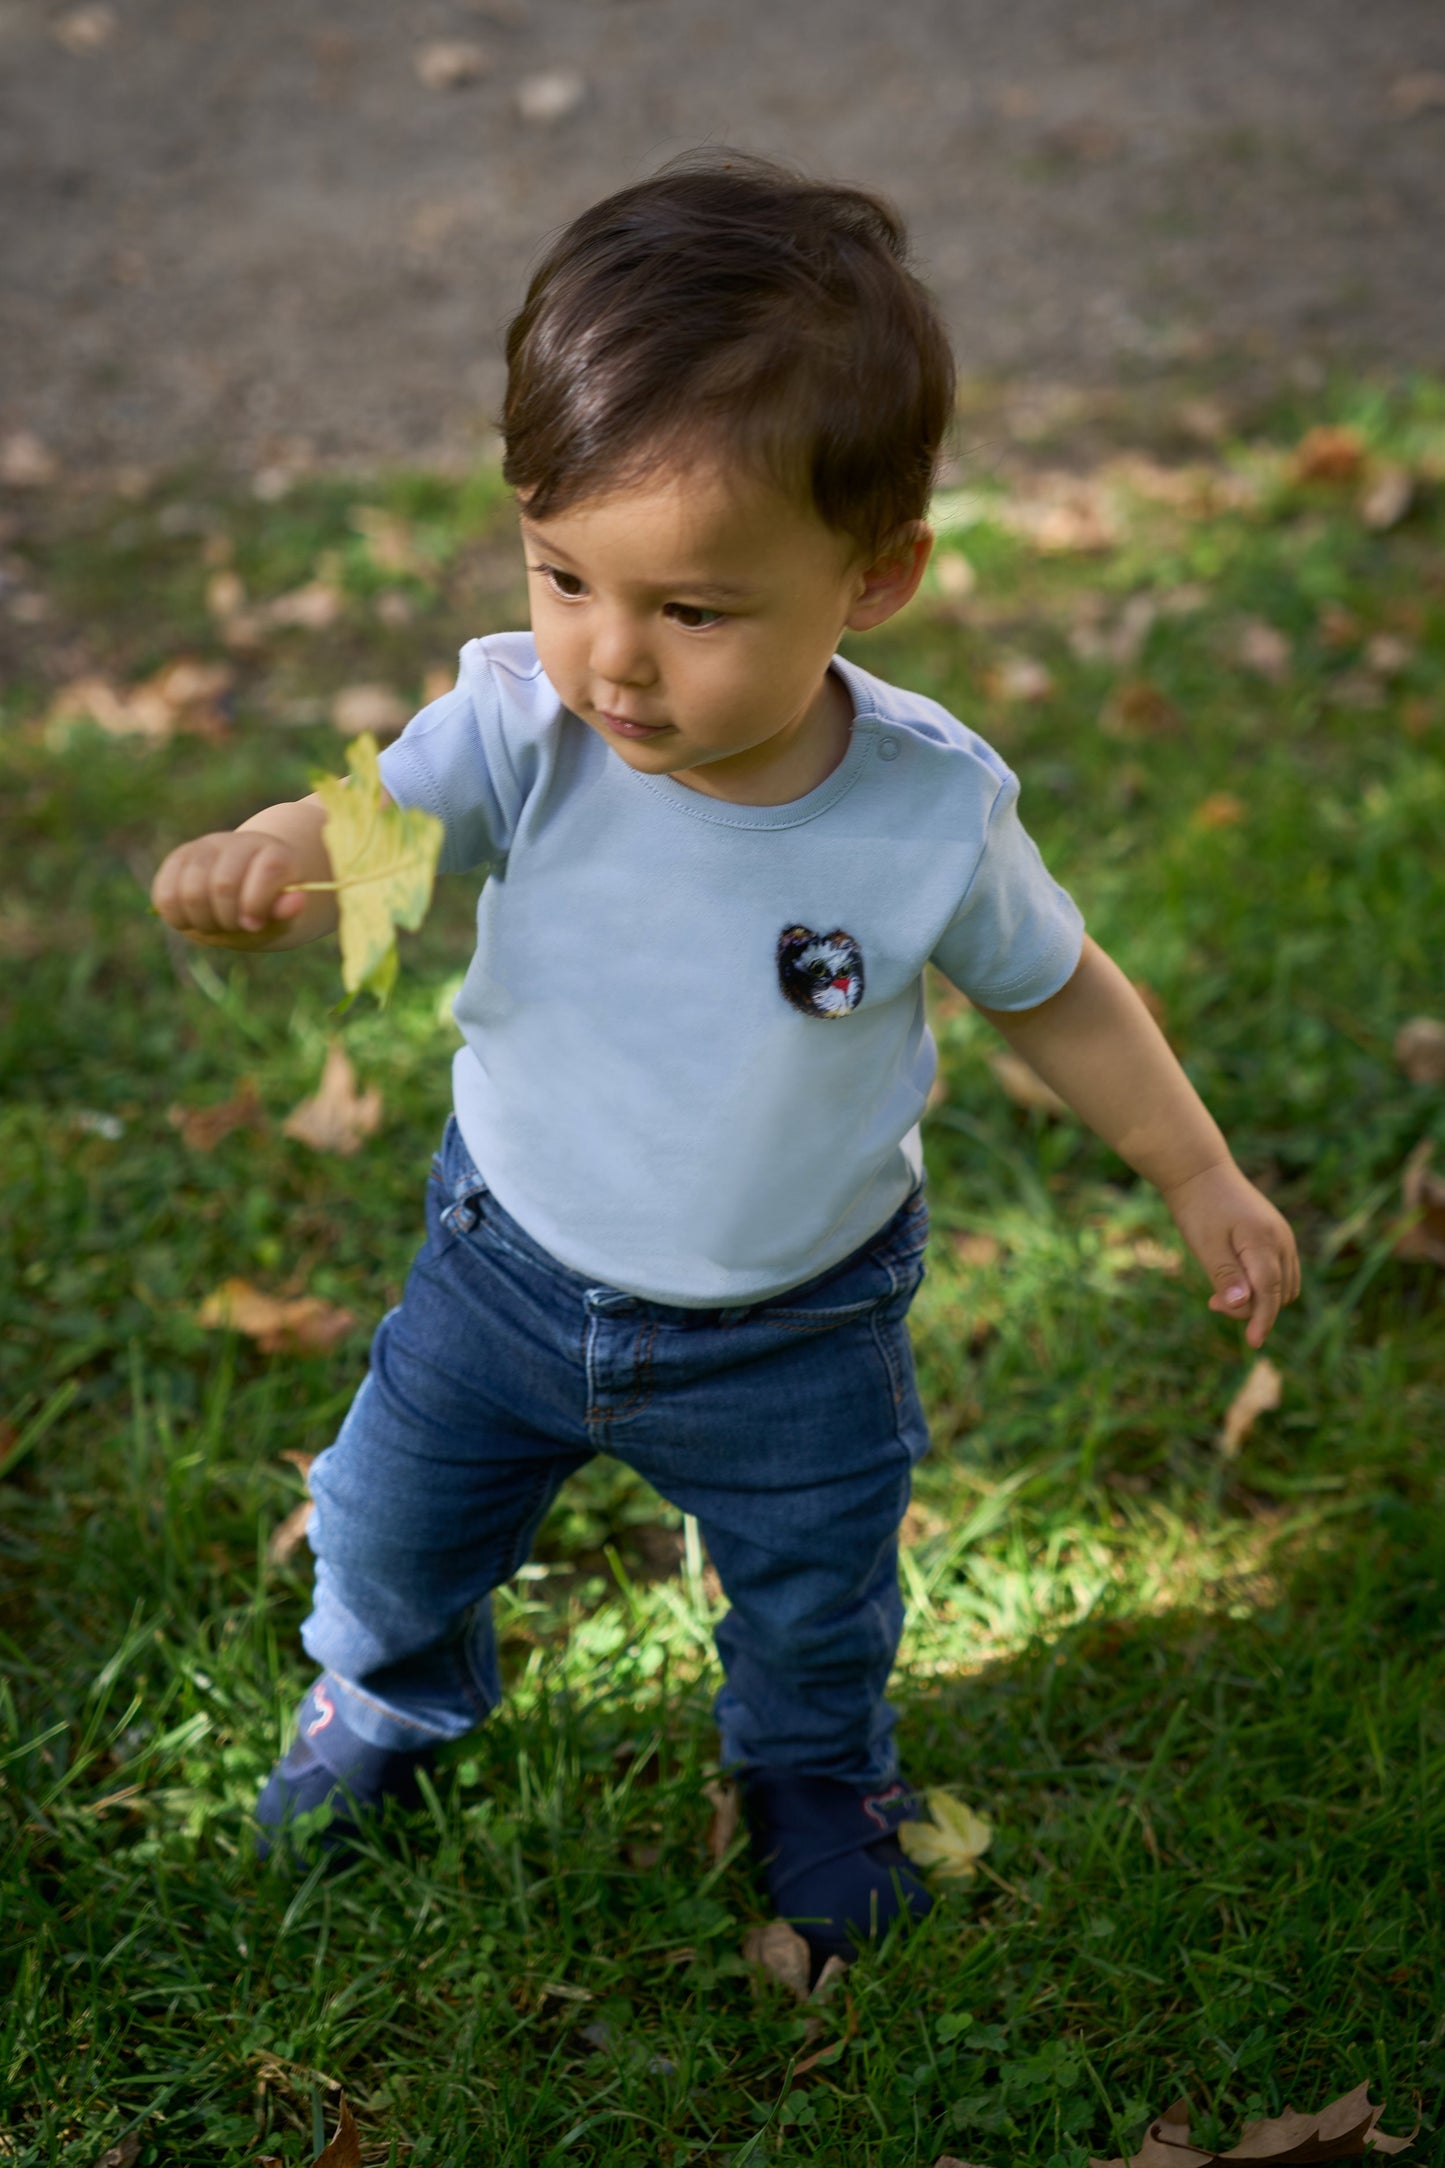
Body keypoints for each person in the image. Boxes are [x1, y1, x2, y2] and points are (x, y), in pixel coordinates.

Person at [150, 152, 1299, 1967]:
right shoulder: (527, 727)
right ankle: (392, 1699)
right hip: (504, 1272)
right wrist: (277, 858)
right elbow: (382, 822)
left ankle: (807, 1774)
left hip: (795, 1321)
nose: (612, 658)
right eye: (561, 574)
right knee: (381, 1526)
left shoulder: (926, 814)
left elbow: (1055, 989)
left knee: (815, 1590)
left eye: (692, 611)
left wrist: (1194, 1169)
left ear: (876, 573)